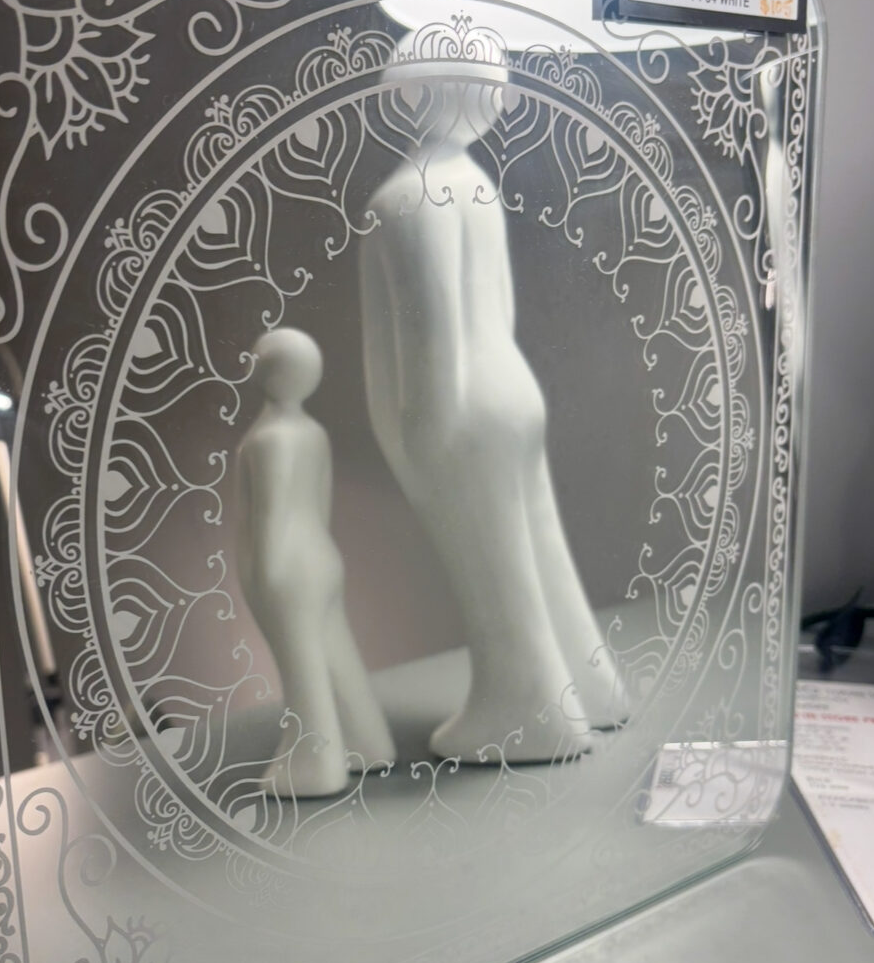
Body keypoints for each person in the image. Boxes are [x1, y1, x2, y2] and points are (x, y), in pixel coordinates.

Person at [359, 51, 622, 763]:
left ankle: (528, 711)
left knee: (493, 569)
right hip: (512, 386)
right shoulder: (476, 184)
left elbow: (432, 334)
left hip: (460, 402)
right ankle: (593, 690)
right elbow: (497, 311)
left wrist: (422, 434)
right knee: (538, 551)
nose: (502, 107)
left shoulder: (406, 197)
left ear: (409, 94)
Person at [236, 327, 397, 797]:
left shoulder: (266, 440)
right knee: (335, 656)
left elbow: (269, 517)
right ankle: (367, 742)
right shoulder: (314, 433)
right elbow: (319, 505)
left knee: (301, 665)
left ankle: (313, 762)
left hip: (284, 567)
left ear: (261, 371)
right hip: (321, 556)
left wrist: (263, 576)